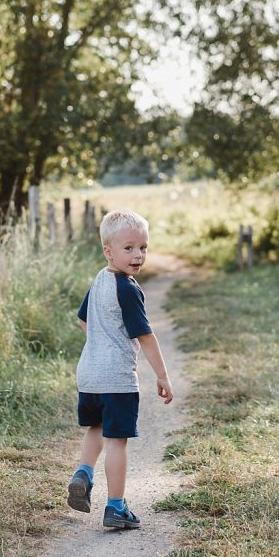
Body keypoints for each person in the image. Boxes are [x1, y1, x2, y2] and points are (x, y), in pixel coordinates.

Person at [67, 210, 174, 529]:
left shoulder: (99, 279)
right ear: (108, 250)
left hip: (88, 374)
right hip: (116, 379)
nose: (138, 254)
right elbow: (145, 335)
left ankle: (84, 473)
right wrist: (162, 375)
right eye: (129, 248)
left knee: (96, 428)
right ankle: (116, 507)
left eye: (143, 247)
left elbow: (83, 319)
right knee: (117, 440)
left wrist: (102, 342)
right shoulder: (127, 287)